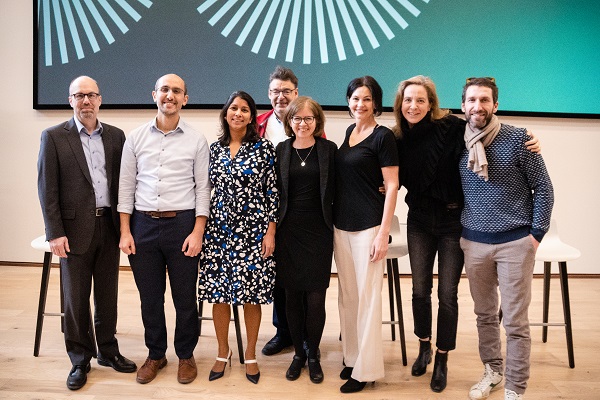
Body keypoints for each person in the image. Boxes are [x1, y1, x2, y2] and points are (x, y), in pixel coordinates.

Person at [391, 76, 542, 393]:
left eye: (421, 100)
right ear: (399, 104)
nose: (414, 106)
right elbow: (382, 171)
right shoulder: (395, 138)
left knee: (447, 294)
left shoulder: (453, 128)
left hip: (451, 222)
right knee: (420, 289)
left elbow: (488, 128)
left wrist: (530, 138)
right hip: (418, 220)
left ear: (432, 103)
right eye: (408, 100)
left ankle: (442, 358)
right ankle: (424, 344)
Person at [37, 76, 136, 390]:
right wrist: (54, 232)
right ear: (70, 101)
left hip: (108, 226)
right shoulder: (53, 137)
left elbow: (124, 185)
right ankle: (80, 359)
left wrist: (126, 227)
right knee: (76, 300)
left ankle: (107, 350)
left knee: (108, 296)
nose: (86, 101)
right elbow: (47, 188)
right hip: (72, 232)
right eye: (79, 95)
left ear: (100, 99)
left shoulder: (116, 137)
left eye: (91, 95)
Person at [458, 78, 553, 400]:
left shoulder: (518, 139)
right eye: (472, 100)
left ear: (495, 105)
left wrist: (536, 234)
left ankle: (515, 387)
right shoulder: (456, 141)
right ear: (463, 105)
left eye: (485, 100)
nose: (478, 106)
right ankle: (493, 371)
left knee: (514, 321)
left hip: (516, 242)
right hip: (474, 241)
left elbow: (543, 188)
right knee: (484, 315)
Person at [118, 74, 210, 385]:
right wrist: (125, 231)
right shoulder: (135, 137)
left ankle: (186, 354)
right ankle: (156, 353)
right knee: (150, 298)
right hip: (142, 226)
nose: (170, 95)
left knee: (185, 298)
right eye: (164, 90)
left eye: (177, 91)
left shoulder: (197, 140)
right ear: (154, 94)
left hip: (182, 226)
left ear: (185, 99)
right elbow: (126, 187)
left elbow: (202, 189)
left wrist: (198, 232)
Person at [199, 91, 279, 385]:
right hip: (218, 231)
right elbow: (205, 190)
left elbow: (273, 193)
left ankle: (250, 354)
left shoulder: (264, 149)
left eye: (245, 109)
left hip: (253, 232)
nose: (238, 113)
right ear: (225, 113)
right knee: (218, 294)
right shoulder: (214, 149)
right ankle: (223, 352)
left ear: (251, 116)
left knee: (251, 295)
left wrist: (270, 231)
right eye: (234, 108)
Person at [334, 76, 399, 393]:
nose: (360, 104)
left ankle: (367, 370)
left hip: (369, 228)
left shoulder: (383, 137)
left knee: (368, 300)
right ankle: (353, 358)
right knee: (348, 297)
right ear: (348, 101)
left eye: (367, 99)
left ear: (376, 103)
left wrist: (383, 233)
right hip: (341, 226)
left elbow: (392, 187)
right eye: (355, 98)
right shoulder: (350, 133)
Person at [275, 96, 337, 383]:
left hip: (319, 232)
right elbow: (272, 194)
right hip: (289, 231)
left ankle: (313, 354)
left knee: (315, 297)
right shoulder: (281, 150)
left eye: (308, 118)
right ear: (289, 121)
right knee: (291, 296)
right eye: (297, 118)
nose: (302, 123)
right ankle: (298, 354)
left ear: (317, 121)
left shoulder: (328, 150)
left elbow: (344, 186)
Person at [258, 66, 298, 356]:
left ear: (295, 93)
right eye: (275, 92)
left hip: (298, 209)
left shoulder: (309, 122)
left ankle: (302, 332)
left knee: (296, 272)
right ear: (268, 94)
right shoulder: (256, 124)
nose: (280, 97)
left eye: (286, 91)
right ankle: (282, 331)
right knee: (274, 273)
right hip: (263, 210)